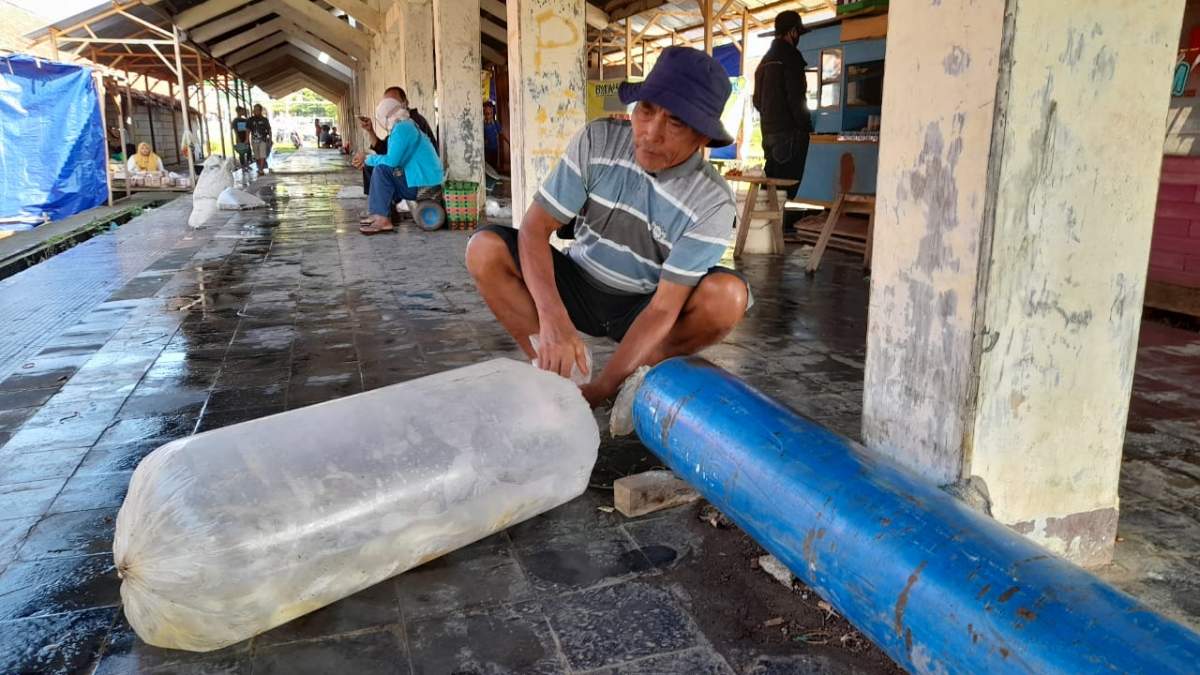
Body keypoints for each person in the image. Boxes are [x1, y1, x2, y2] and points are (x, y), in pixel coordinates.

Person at [465, 46, 750, 408]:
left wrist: (602, 389)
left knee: (727, 297)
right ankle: (555, 372)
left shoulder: (712, 202)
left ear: (703, 138)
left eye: (676, 122)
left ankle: (626, 381)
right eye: (646, 110)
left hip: (642, 306)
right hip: (579, 282)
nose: (651, 132)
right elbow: (535, 228)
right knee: (484, 249)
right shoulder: (597, 141)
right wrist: (553, 318)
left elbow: (662, 309)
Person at [353, 96, 444, 235]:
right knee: (384, 170)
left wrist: (367, 158)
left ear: (386, 116)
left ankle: (382, 218)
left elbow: (391, 162)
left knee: (382, 170)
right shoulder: (407, 125)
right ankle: (380, 213)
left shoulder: (402, 128)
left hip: (424, 184)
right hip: (425, 179)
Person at [753, 10, 812, 200]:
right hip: (788, 135)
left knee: (770, 189)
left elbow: (757, 101)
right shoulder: (791, 58)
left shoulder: (764, 61)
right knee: (783, 192)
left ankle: (763, 229)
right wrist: (805, 126)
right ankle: (771, 229)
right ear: (792, 32)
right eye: (798, 33)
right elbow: (797, 99)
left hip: (768, 134)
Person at [482, 100, 508, 171]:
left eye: (490, 113)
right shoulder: (482, 125)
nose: (488, 116)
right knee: (487, 168)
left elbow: (501, 134)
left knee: (493, 168)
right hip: (485, 150)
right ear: (483, 113)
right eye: (486, 113)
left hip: (495, 150)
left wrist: (509, 143)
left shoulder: (496, 124)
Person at [247, 104, 273, 172]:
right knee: (257, 157)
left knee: (262, 155)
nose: (255, 111)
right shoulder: (250, 120)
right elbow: (248, 130)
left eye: (257, 110)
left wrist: (270, 140)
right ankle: (260, 167)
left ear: (260, 111)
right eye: (254, 110)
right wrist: (246, 139)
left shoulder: (264, 120)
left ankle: (261, 169)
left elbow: (269, 130)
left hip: (263, 140)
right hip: (254, 141)